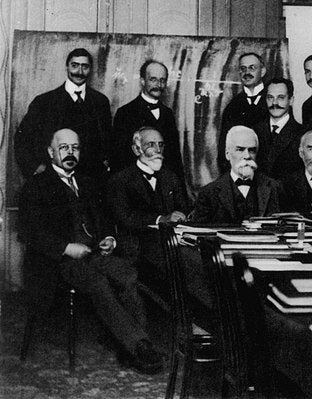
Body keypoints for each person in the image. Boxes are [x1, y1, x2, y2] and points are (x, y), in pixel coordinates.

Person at [19, 128, 164, 373]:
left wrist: (109, 237)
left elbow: (106, 218)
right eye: (63, 147)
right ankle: (138, 346)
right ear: (50, 151)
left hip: (94, 254)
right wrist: (66, 247)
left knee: (128, 274)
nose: (70, 153)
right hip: (58, 262)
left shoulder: (88, 183)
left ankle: (128, 342)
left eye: (75, 148)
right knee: (98, 282)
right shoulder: (36, 186)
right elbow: (30, 232)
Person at [15, 48, 112, 180]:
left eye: (85, 67)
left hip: (91, 179)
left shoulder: (100, 101)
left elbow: (107, 139)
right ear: (67, 67)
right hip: (53, 178)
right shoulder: (44, 101)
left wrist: (104, 164)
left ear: (90, 70)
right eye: (74, 66)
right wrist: (35, 168)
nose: (79, 72)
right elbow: (22, 139)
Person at [107, 127, 189, 272]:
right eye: (151, 144)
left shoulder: (171, 178)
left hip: (173, 242)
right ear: (137, 149)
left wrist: (182, 215)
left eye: (161, 145)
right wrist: (161, 219)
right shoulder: (120, 180)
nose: (158, 149)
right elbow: (125, 218)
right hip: (137, 248)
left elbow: (183, 207)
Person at [193, 126, 281, 223]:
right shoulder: (209, 193)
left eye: (251, 150)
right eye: (240, 149)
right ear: (227, 154)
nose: (247, 156)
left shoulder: (274, 188)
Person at [112, 60, 183, 178]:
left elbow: (174, 157)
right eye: (153, 79)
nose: (158, 85)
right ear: (142, 81)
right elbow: (119, 159)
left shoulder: (168, 113)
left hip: (165, 184)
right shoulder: (125, 113)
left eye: (162, 80)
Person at [217, 52, 270, 172]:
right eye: (243, 68)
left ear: (262, 71)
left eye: (252, 68)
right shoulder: (232, 107)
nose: (247, 72)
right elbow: (224, 149)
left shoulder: (274, 101)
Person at [253, 77, 304, 180]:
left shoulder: (302, 134)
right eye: (270, 97)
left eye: (280, 97)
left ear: (291, 100)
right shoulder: (254, 131)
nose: (274, 103)